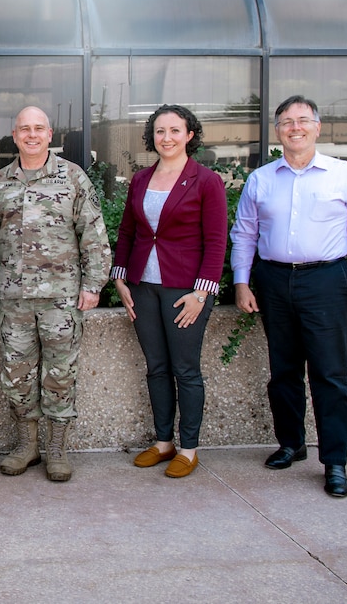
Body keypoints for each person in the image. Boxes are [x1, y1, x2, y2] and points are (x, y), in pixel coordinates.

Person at [231, 95, 347, 498]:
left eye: (302, 120)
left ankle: (334, 461)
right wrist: (243, 281)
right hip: (274, 281)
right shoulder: (261, 179)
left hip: (326, 281)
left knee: (330, 374)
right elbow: (244, 234)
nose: (294, 127)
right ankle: (291, 443)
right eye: (286, 121)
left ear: (317, 127)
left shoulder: (344, 175)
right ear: (278, 131)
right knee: (283, 370)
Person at [0, 106, 110, 482]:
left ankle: (57, 449)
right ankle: (27, 446)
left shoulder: (73, 177)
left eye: (38, 129)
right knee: (16, 375)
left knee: (60, 375)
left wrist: (93, 285)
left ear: (51, 135)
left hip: (62, 299)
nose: (31, 135)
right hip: (13, 299)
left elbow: (94, 235)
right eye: (24, 129)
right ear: (14, 136)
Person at [110, 104, 226, 478]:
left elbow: (216, 241)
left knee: (185, 370)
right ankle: (163, 443)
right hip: (144, 287)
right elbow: (128, 232)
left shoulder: (206, 180)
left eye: (175, 130)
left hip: (185, 291)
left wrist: (201, 293)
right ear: (152, 137)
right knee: (156, 368)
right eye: (160, 131)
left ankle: (188, 448)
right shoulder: (141, 179)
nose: (167, 138)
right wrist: (120, 278)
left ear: (190, 135)